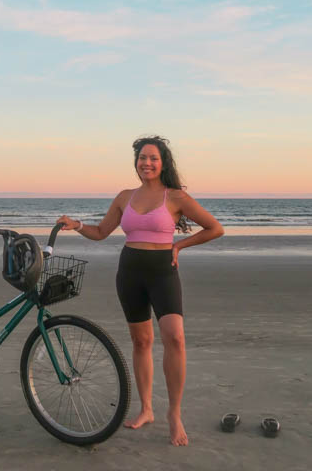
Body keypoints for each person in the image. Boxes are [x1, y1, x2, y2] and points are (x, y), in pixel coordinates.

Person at [57, 135, 224, 446]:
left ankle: (174, 413)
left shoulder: (175, 197)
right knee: (141, 340)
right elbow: (102, 232)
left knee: (174, 336)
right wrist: (77, 224)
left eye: (153, 158)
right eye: (142, 158)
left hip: (163, 271)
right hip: (130, 271)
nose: (147, 163)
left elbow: (215, 228)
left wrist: (179, 246)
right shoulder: (124, 197)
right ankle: (147, 409)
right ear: (136, 163)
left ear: (163, 163)